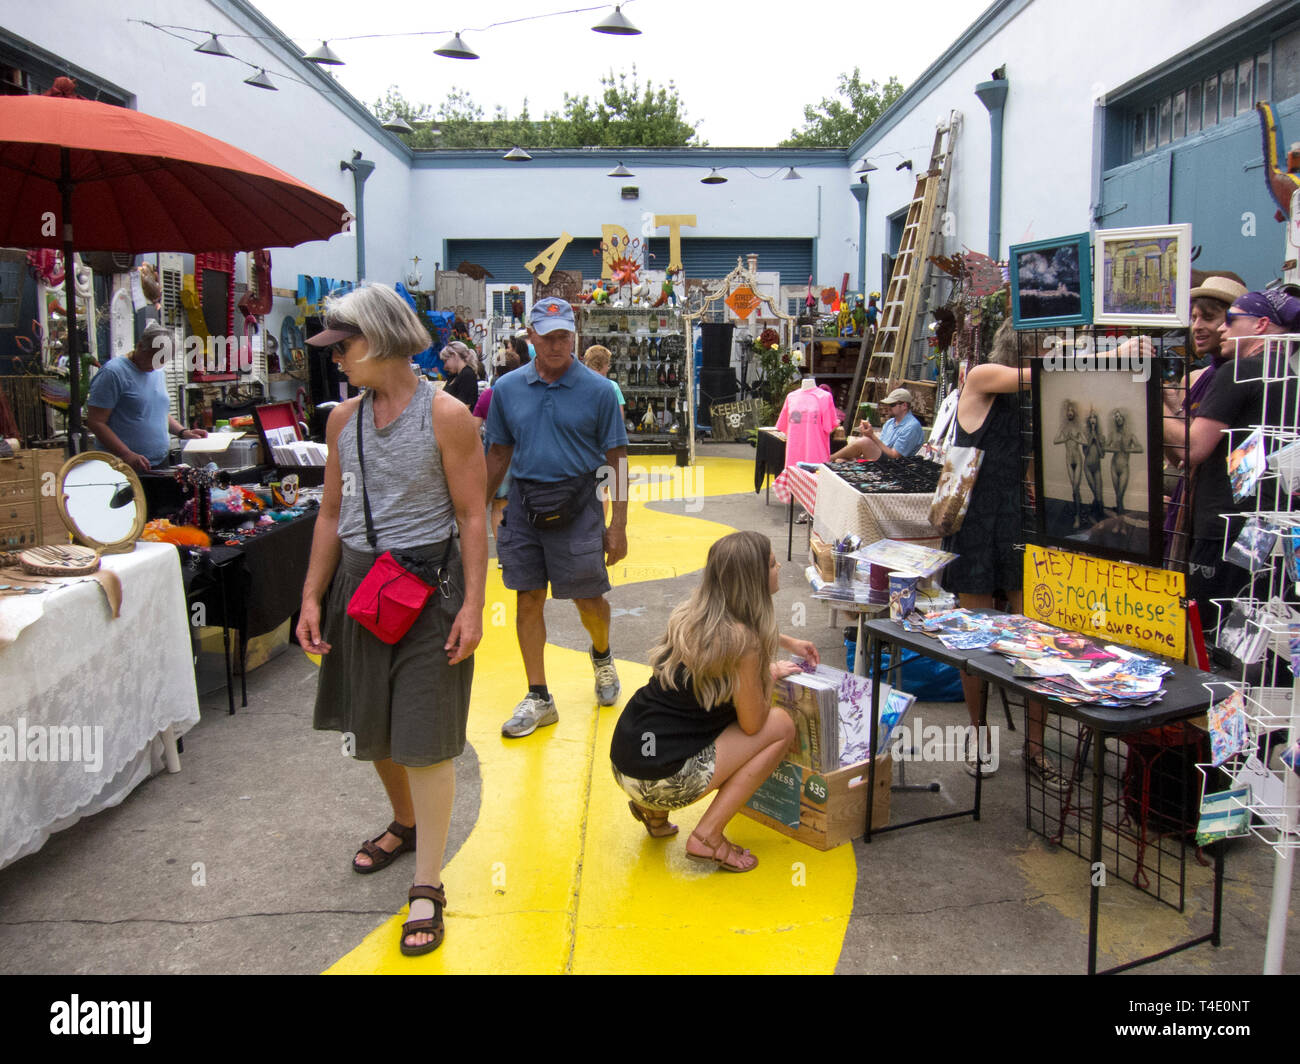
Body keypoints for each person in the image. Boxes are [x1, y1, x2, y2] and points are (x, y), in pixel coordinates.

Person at [296, 283, 488, 957]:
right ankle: (404, 823)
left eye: (342, 346)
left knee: (425, 740)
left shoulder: (447, 416)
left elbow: (471, 517)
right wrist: (312, 596)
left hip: (426, 592)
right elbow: (329, 513)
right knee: (369, 732)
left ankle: (428, 883)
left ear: (377, 340)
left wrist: (471, 603)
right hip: (359, 588)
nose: (336, 359)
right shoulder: (341, 421)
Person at [609, 531, 818, 871]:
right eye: (771, 564)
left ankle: (654, 813)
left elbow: (737, 629)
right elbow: (753, 723)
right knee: (780, 725)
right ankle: (707, 837)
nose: (779, 566)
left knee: (679, 724)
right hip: (662, 780)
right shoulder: (745, 644)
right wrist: (767, 675)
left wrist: (785, 641)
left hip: (625, 763)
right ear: (752, 581)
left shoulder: (690, 614)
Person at [484, 296, 630, 737]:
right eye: (546, 337)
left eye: (564, 336)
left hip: (580, 505)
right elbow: (497, 453)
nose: (555, 345)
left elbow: (616, 460)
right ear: (530, 337)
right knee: (527, 598)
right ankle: (539, 695)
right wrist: (474, 509)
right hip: (525, 506)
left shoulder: (600, 392)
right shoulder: (507, 389)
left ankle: (602, 657)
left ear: (575, 336)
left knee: (589, 600)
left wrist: (617, 525)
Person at [940, 320, 1064, 790]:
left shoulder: (1033, 399)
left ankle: (1034, 745)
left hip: (1016, 523)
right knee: (976, 636)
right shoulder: (983, 377)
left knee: (1034, 636)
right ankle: (978, 736)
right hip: (975, 523)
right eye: (1048, 343)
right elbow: (1041, 372)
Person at [1186, 288, 1300, 639]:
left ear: (1261, 324)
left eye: (1231, 320)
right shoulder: (1291, 378)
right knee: (1248, 636)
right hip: (1269, 526)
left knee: (1204, 635)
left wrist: (1150, 410)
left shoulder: (1239, 372)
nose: (1222, 329)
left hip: (1223, 527)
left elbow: (1193, 448)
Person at [86, 325, 206, 471]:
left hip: (159, 463)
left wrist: (183, 432)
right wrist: (126, 454)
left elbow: (157, 411)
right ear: (140, 346)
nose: (158, 364)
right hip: (123, 466)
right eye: (154, 357)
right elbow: (96, 422)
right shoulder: (113, 373)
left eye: (164, 360)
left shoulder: (157, 371)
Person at [472, 347, 523, 544]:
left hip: (495, 453)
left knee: (498, 505)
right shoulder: (525, 393)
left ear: (496, 369)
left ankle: (502, 550)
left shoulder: (487, 396)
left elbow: (473, 428)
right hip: (521, 452)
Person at [830, 387, 923, 462]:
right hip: (882, 457)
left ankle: (829, 459)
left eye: (892, 404)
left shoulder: (912, 426)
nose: (888, 407)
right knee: (840, 460)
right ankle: (833, 459)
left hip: (895, 464)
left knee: (865, 441)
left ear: (904, 406)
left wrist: (871, 436)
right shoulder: (890, 423)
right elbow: (880, 445)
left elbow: (895, 455)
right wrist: (868, 434)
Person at [440, 340, 481, 408]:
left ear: (454, 356)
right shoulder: (455, 375)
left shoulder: (467, 375)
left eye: (445, 361)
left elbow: (465, 406)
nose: (445, 367)